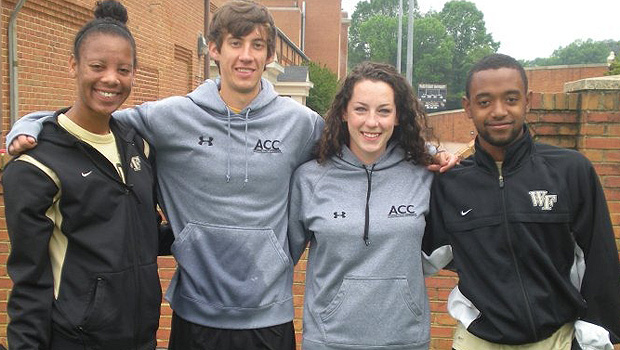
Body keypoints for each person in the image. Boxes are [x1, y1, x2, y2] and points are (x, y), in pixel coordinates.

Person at [5, 2, 458, 349]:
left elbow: (362, 135)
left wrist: (430, 153)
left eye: (257, 45)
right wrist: (28, 126)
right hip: (195, 315)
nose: (246, 56)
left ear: (268, 55)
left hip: (270, 318)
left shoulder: (299, 123)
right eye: (235, 44)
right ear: (214, 49)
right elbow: (96, 117)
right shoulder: (170, 117)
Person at [2, 1, 171, 349]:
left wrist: (201, 238)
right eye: (97, 66)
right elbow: (29, 282)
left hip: (141, 337)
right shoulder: (37, 163)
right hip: (76, 339)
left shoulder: (138, 146)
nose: (111, 78)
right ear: (73, 66)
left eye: (123, 69)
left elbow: (139, 235)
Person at [422, 53, 620, 350]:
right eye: (485, 101)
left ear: (527, 101)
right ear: (467, 107)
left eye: (511, 99)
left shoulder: (571, 171)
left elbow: (600, 260)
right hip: (477, 342)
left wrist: (593, 339)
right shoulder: (450, 184)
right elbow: (417, 254)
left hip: (557, 339)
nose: (499, 111)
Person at [288, 61, 439, 350]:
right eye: (361, 109)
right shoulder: (310, 178)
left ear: (398, 117)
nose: (372, 122)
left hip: (405, 340)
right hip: (329, 340)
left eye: (384, 110)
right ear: (344, 112)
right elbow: (282, 258)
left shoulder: (425, 173)